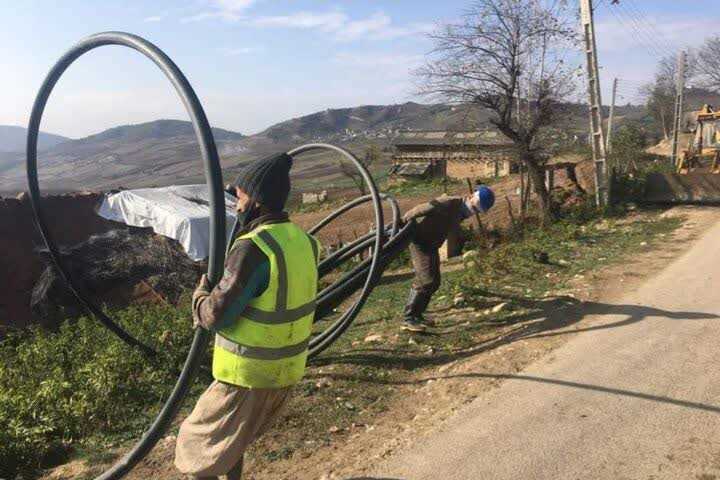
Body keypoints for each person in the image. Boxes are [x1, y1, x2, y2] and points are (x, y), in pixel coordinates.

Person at [175, 152, 320, 480]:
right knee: (230, 445)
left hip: (247, 375)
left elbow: (216, 315)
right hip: (286, 371)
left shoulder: (253, 248)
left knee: (198, 450)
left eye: (240, 196)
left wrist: (199, 298)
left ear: (256, 200)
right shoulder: (305, 242)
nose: (237, 204)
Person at [401, 185, 495, 332]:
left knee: (435, 282)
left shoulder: (460, 212)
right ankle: (409, 318)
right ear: (471, 196)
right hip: (420, 242)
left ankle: (418, 315)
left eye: (477, 211)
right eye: (475, 207)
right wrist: (404, 222)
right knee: (426, 280)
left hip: (431, 245)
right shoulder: (450, 202)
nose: (474, 212)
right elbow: (422, 208)